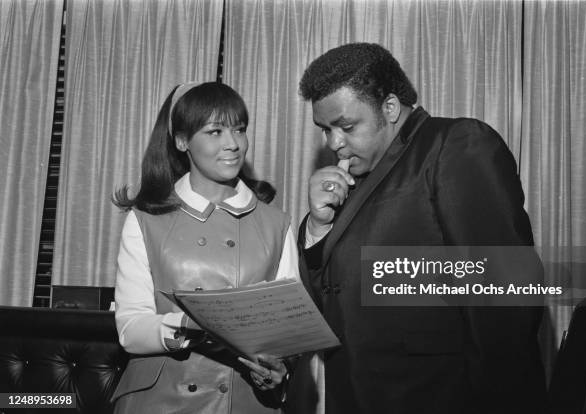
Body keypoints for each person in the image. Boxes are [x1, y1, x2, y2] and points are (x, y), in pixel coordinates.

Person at [294, 43, 546, 413]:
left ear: (390, 108)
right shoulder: (355, 177)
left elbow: (504, 300)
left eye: (346, 126)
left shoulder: (457, 144)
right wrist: (318, 227)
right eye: (325, 130)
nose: (334, 143)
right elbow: (331, 295)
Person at [111, 82, 297, 413]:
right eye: (215, 131)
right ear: (182, 141)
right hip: (159, 402)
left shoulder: (276, 224)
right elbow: (129, 328)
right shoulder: (145, 219)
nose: (233, 144)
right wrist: (189, 325)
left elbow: (284, 334)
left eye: (240, 130)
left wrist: (274, 372)